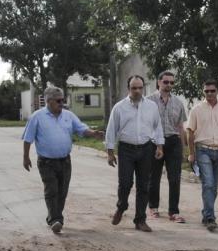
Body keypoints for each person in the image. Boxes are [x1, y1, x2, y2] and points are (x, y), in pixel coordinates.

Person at [22, 87, 103, 234]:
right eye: (58, 101)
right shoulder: (37, 116)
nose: (62, 103)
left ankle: (53, 217)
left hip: (65, 161)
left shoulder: (68, 115)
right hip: (46, 162)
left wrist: (93, 133)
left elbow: (81, 129)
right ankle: (56, 220)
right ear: (48, 101)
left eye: (63, 100)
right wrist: (26, 157)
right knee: (51, 190)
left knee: (62, 192)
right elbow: (28, 138)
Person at [104, 75, 164, 232]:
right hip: (126, 149)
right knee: (125, 183)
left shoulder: (151, 106)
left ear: (143, 88)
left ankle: (140, 220)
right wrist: (110, 152)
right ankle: (121, 206)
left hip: (146, 148)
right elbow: (111, 130)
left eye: (140, 88)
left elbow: (157, 127)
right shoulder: (119, 107)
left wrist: (159, 146)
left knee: (144, 186)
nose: (137, 91)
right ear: (128, 88)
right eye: (134, 88)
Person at [185, 79, 218, 231]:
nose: (209, 93)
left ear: (217, 91)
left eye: (212, 91)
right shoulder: (196, 110)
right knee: (208, 183)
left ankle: (205, 213)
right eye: (206, 91)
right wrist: (191, 154)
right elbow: (190, 133)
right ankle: (210, 218)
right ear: (203, 92)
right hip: (203, 150)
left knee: (213, 187)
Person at [147, 70, 188, 223]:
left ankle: (174, 212)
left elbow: (180, 127)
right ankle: (153, 207)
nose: (169, 85)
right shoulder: (148, 101)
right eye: (166, 82)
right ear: (158, 82)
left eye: (172, 82)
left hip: (173, 142)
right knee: (154, 177)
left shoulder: (178, 102)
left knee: (175, 178)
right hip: (154, 143)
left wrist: (183, 149)